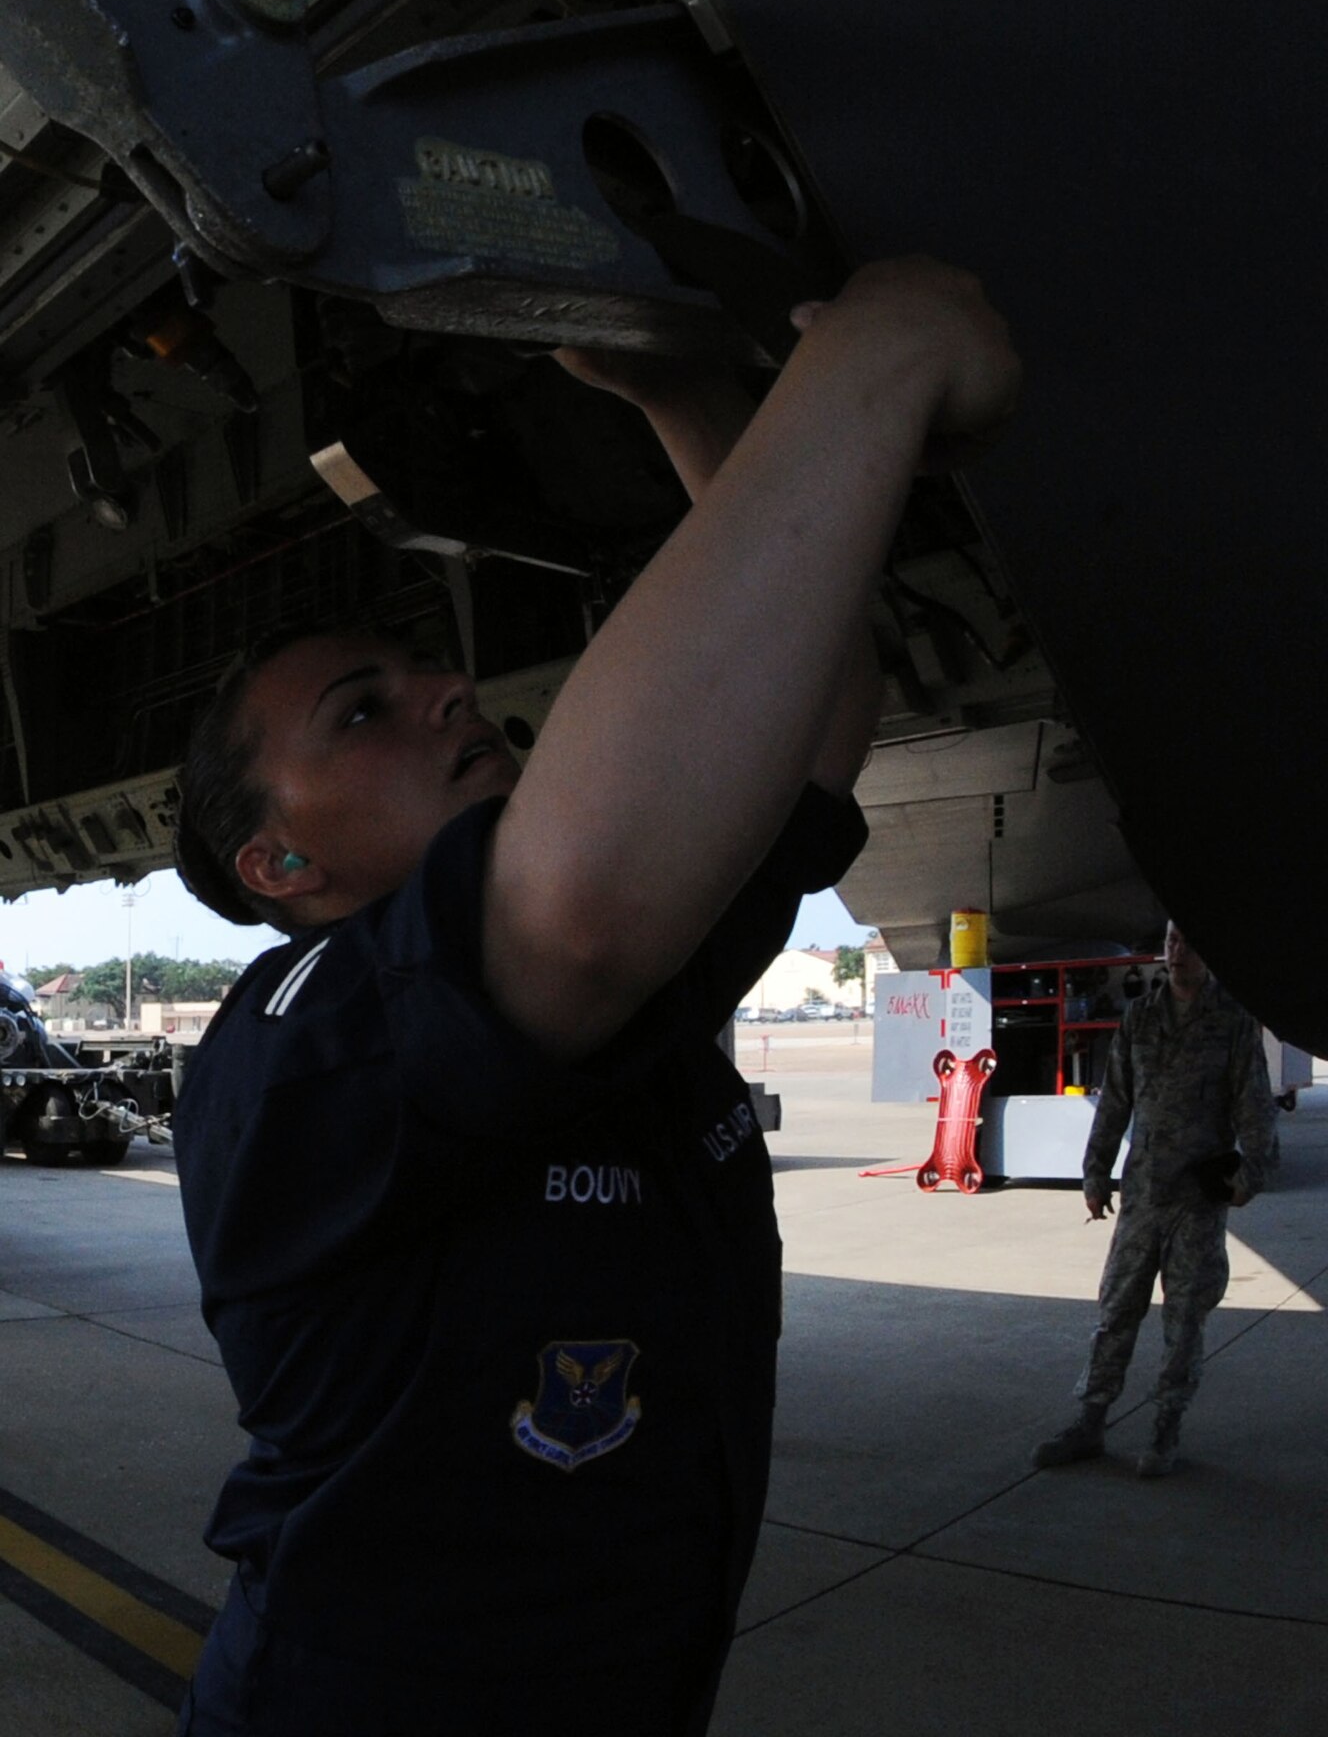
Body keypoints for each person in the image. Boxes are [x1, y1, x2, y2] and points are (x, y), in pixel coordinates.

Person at [169, 258, 1020, 1735]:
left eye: (424, 673)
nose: (445, 692)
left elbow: (810, 745)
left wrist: (698, 404)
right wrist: (867, 368)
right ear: (276, 858)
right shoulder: (292, 1034)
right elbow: (573, 917)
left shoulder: (593, 985)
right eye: (361, 711)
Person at [1032, 922, 1277, 1480]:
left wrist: (1249, 1175)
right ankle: (1090, 1421)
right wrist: (1095, 1173)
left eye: (1189, 943)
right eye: (1170, 943)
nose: (1177, 952)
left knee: (1184, 1320)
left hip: (1196, 1201)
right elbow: (1114, 1100)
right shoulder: (1140, 1019)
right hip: (1142, 1193)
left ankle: (1166, 1427)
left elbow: (1255, 1109)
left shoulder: (1233, 1024)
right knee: (1115, 1311)